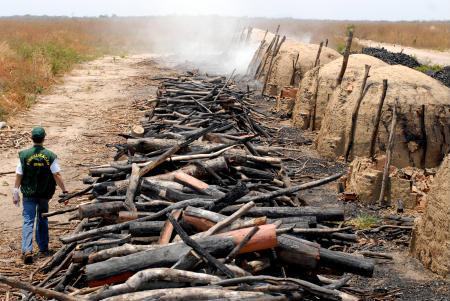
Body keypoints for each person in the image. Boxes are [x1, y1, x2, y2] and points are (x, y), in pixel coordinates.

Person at [12, 127, 68, 264]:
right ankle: (43, 248)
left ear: (31, 138)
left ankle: (27, 250)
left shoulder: (24, 155)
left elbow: (19, 174)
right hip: (44, 194)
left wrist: (15, 191)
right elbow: (56, 174)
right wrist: (64, 191)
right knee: (43, 219)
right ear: (44, 138)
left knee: (28, 220)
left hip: (29, 194)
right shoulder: (50, 155)